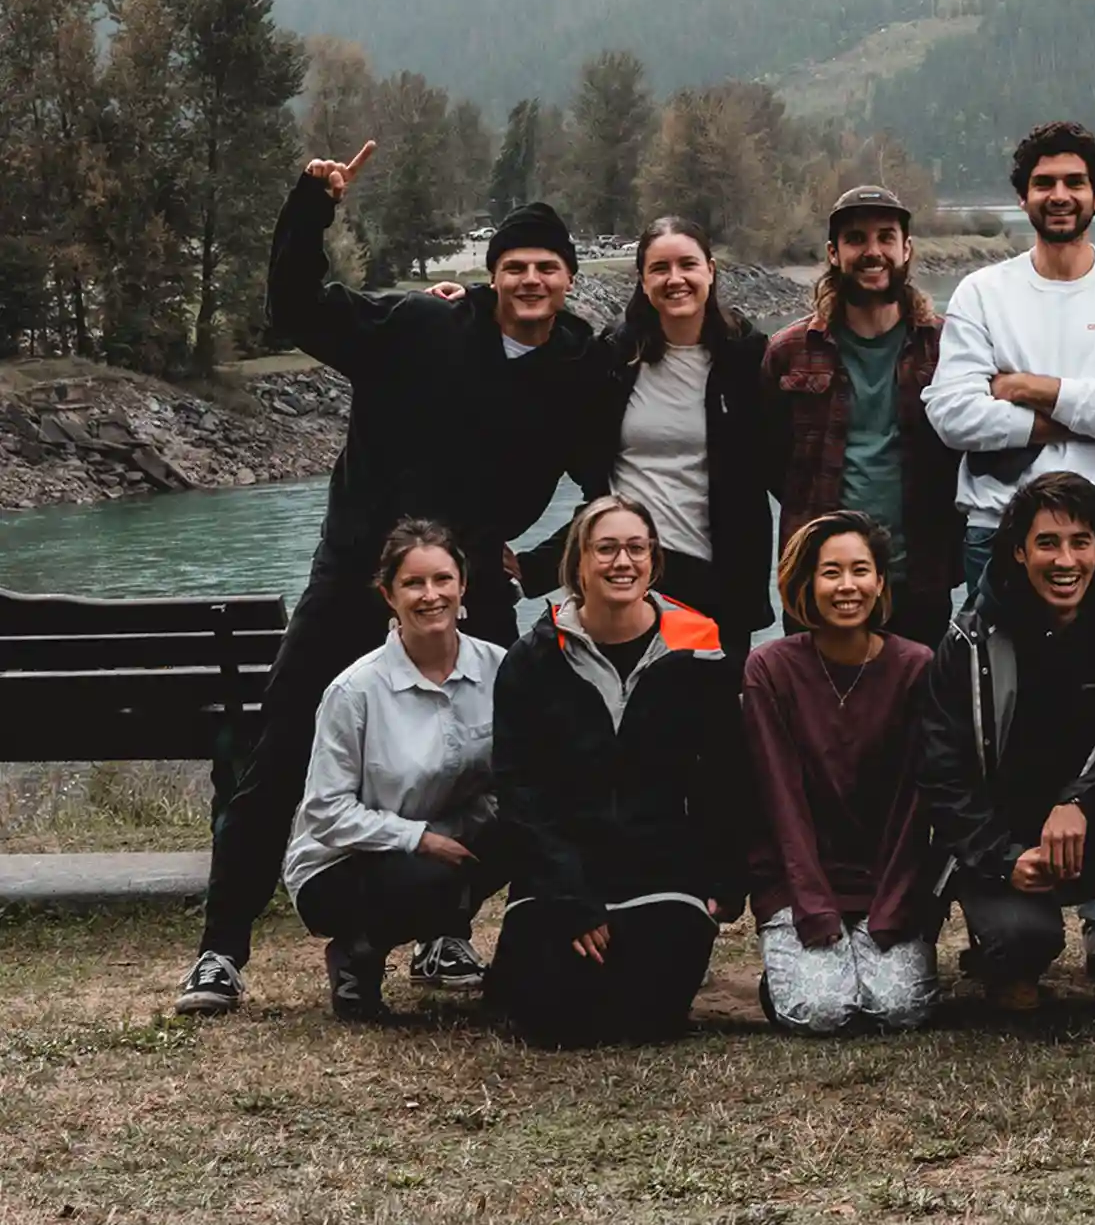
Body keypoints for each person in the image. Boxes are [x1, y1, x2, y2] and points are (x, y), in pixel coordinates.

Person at [177, 146, 599, 1017]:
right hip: (357, 573)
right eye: (514, 266)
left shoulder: (577, 374)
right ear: (489, 279)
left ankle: (448, 931)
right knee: (279, 750)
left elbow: (610, 489)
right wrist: (310, 204)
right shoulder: (419, 326)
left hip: (474, 580)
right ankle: (221, 949)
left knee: (498, 764)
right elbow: (295, 306)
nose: (530, 281)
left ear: (567, 280)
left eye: (546, 268)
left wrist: (548, 562)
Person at [920, 472, 1095, 1016]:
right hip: (1010, 841)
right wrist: (1004, 859)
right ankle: (1005, 955)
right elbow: (943, 775)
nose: (1065, 560)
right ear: (1019, 552)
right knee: (1022, 952)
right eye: (1047, 543)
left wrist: (1078, 799)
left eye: (1081, 542)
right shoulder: (968, 642)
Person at [490, 495, 746, 1046]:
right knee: (548, 1024)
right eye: (605, 549)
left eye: (636, 548)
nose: (621, 562)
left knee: (648, 1021)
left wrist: (724, 877)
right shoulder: (533, 658)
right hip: (561, 871)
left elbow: (724, 772)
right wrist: (568, 895)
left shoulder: (698, 650)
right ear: (577, 564)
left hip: (661, 869)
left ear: (653, 559)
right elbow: (517, 789)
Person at [924, 120, 1095, 599]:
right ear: (1023, 198)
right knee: (996, 675)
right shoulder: (982, 293)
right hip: (999, 528)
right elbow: (953, 416)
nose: (1059, 194)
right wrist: (1086, 417)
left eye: (1075, 182)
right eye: (1044, 183)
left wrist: (1026, 388)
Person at [283, 519, 507, 1023]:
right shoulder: (355, 691)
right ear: (389, 594)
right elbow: (325, 810)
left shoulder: (500, 668)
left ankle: (510, 963)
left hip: (451, 834)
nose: (431, 595)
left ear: (463, 584)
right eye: (413, 583)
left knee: (526, 832)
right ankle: (358, 951)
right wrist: (418, 838)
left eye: (442, 579)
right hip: (341, 862)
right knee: (430, 879)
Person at [740, 511, 941, 1033]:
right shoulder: (770, 669)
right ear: (806, 582)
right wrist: (814, 908)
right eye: (831, 572)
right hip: (798, 880)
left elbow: (916, 803)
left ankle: (857, 957)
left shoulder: (916, 666)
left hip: (885, 882)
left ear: (879, 581)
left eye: (860, 570)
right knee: (822, 1012)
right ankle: (794, 975)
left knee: (900, 1010)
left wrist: (893, 909)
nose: (846, 586)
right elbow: (779, 801)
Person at [572, 215, 780, 657]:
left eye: (687, 265)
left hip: (719, 576)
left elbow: (782, 460)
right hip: (627, 575)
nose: (675, 279)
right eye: (660, 269)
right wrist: (471, 300)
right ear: (642, 279)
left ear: (710, 269)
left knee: (712, 718)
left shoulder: (748, 358)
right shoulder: (613, 357)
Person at [766, 184, 963, 649]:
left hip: (919, 576)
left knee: (919, 715)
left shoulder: (951, 347)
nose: (872, 252)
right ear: (834, 253)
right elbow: (771, 461)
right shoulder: (789, 352)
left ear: (906, 248)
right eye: (856, 239)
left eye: (885, 238)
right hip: (819, 581)